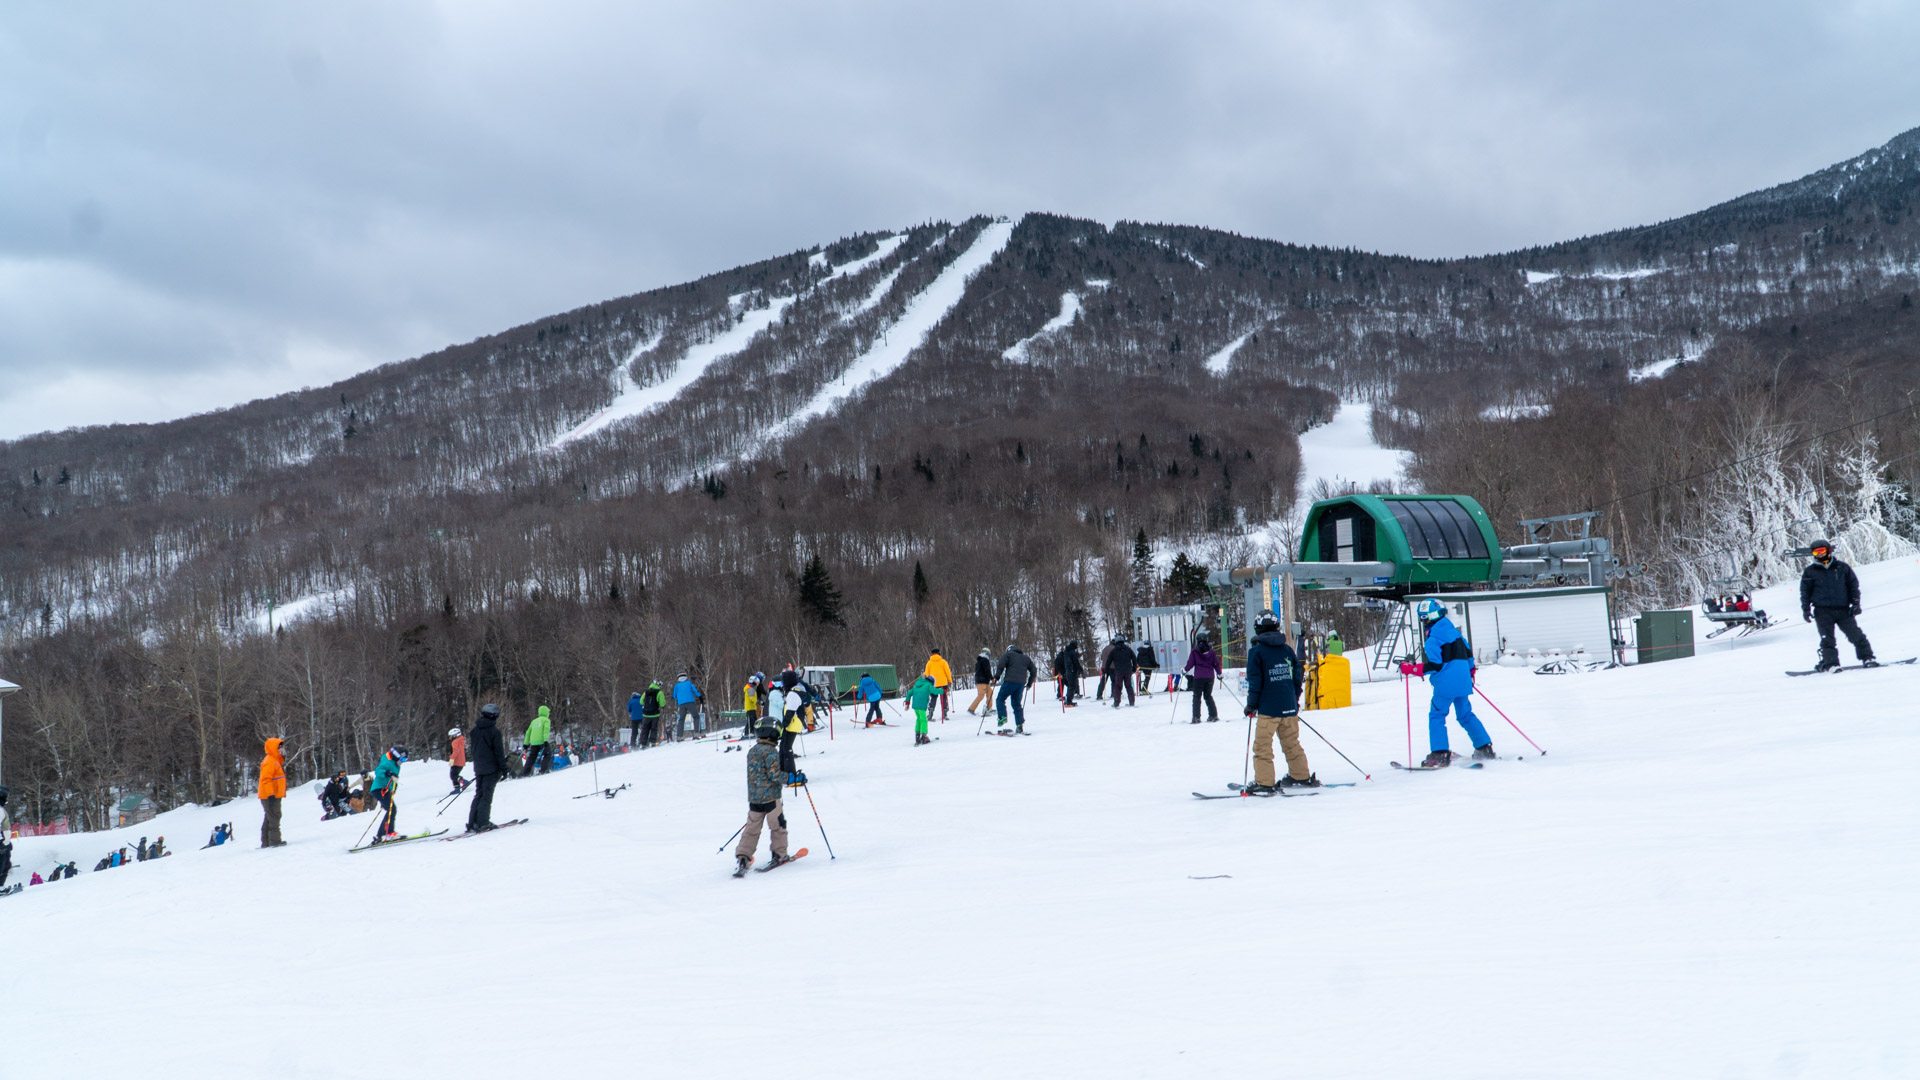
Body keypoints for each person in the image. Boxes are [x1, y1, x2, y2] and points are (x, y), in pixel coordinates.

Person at [1244, 610, 1318, 792]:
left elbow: (1255, 682)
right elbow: (1297, 677)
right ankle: (1301, 775)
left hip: (1268, 709)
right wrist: (1293, 699)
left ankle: (1264, 782)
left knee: (1262, 747)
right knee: (1291, 743)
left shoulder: (1256, 652)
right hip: (1288, 708)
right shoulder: (1287, 650)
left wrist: (1251, 705)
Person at [1416, 598, 1494, 767]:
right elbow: (1469, 656)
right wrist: (1470, 672)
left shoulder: (1433, 639)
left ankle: (1440, 753)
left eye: (1424, 618)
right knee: (1465, 715)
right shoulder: (1457, 635)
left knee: (1437, 715)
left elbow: (1435, 665)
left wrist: (1413, 669)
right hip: (1463, 682)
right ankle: (1484, 747)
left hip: (1445, 685)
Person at [1801, 538, 1877, 671]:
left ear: (1828, 551)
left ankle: (1868, 657)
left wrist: (1855, 604)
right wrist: (1806, 610)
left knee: (1856, 635)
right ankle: (1831, 664)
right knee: (1827, 639)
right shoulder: (1810, 571)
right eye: (1816, 552)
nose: (1819, 554)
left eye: (1822, 551)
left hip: (1843, 609)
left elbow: (1853, 586)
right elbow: (1805, 592)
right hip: (1822, 611)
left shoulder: (1842, 567)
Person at [733, 724, 793, 875]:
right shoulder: (771, 751)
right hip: (771, 798)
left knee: (752, 829)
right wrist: (791, 778)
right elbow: (774, 775)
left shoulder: (752, 751)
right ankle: (779, 854)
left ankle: (743, 856)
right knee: (778, 826)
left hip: (754, 799)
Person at [467, 703, 509, 833]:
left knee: (478, 794)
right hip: (491, 768)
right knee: (486, 796)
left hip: (479, 767)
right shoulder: (494, 732)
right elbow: (498, 752)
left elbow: (474, 750)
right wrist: (504, 768)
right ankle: (483, 822)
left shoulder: (475, 731)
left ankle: (472, 822)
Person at [993, 644, 1037, 733]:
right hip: (1021, 684)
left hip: (1010, 681)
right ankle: (1019, 725)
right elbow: (1034, 670)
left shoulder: (1009, 654)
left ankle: (1002, 717)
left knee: (1000, 699)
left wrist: (997, 677)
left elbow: (1001, 664)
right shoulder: (1026, 658)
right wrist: (1029, 684)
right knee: (1016, 704)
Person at [777, 670, 812, 780]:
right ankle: (782, 771)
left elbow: (790, 712)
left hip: (792, 723)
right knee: (783, 746)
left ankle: (789, 773)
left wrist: (783, 726)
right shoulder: (793, 692)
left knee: (786, 747)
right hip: (793, 723)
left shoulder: (793, 693)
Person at [1184, 635, 1224, 723]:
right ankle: (1213, 715)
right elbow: (1216, 664)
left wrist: (1185, 670)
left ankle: (1196, 717)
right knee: (1208, 695)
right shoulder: (1211, 651)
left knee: (1197, 696)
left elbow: (1190, 663)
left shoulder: (1195, 651)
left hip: (1198, 677)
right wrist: (1219, 674)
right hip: (1210, 677)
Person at [370, 745, 406, 842]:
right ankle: (388, 833)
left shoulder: (395, 764)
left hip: (386, 790)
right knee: (391, 809)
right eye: (402, 759)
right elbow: (378, 771)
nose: (402, 761)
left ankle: (381, 835)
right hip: (379, 789)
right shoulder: (387, 761)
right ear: (395, 755)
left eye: (404, 759)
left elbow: (393, 778)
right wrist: (388, 773)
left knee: (391, 810)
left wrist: (393, 787)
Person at [258, 737, 288, 848]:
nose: (281, 749)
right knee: (274, 816)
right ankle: (274, 841)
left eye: (281, 747)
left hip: (273, 794)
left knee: (270, 817)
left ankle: (266, 842)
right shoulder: (270, 761)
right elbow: (265, 779)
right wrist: (270, 794)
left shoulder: (275, 760)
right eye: (279, 747)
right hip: (270, 795)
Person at [1102, 635, 1138, 708]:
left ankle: (1116, 702)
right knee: (1129, 686)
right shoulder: (1128, 650)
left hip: (1118, 671)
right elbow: (1134, 659)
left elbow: (1108, 661)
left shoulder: (1114, 651)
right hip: (1128, 671)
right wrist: (1134, 669)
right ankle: (1132, 702)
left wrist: (1105, 670)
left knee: (1118, 687)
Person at [521, 705, 553, 776]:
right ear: (546, 713)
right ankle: (543, 770)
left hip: (533, 742)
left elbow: (528, 732)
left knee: (532, 757)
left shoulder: (534, 721)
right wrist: (545, 740)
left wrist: (526, 743)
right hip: (542, 741)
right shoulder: (546, 720)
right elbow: (546, 730)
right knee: (547, 754)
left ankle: (524, 773)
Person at [906, 674, 937, 745]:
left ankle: (917, 737)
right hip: (922, 706)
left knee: (919, 719)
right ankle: (924, 736)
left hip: (915, 706)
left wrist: (907, 702)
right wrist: (943, 691)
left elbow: (909, 693)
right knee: (923, 720)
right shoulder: (928, 685)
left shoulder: (917, 685)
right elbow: (935, 691)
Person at [672, 672, 704, 740]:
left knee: (681, 719)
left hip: (681, 704)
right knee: (696, 717)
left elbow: (674, 696)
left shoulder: (677, 686)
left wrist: (680, 698)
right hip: (690, 702)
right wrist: (700, 697)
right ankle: (696, 733)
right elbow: (695, 691)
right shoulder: (689, 683)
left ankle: (679, 736)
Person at [923, 649, 953, 722]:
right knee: (944, 698)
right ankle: (945, 714)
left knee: (933, 698)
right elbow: (947, 671)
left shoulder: (929, 663)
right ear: (939, 654)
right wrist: (950, 680)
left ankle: (930, 715)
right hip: (943, 683)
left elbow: (926, 674)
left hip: (934, 683)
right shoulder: (943, 662)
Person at [1054, 640, 1084, 707]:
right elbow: (1075, 662)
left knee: (1070, 685)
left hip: (1067, 671)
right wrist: (1081, 671)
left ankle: (1069, 699)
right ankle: (1068, 701)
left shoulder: (1066, 652)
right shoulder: (1071, 653)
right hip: (1070, 670)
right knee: (1071, 686)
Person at [967, 650, 994, 715]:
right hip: (982, 681)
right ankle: (971, 709)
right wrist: (992, 678)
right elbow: (987, 671)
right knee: (981, 695)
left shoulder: (980, 660)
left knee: (990, 692)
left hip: (984, 681)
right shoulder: (985, 660)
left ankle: (989, 708)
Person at [639, 680, 666, 747]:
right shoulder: (659, 693)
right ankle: (652, 742)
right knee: (654, 728)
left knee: (645, 729)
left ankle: (643, 743)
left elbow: (641, 702)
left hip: (646, 714)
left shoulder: (646, 692)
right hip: (655, 714)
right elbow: (662, 704)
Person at [448, 727, 468, 794]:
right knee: (454, 774)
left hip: (456, 761)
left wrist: (452, 758)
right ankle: (458, 787)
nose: (450, 738)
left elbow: (456, 751)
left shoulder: (455, 742)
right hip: (461, 761)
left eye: (451, 736)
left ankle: (463, 782)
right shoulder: (461, 740)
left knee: (453, 775)